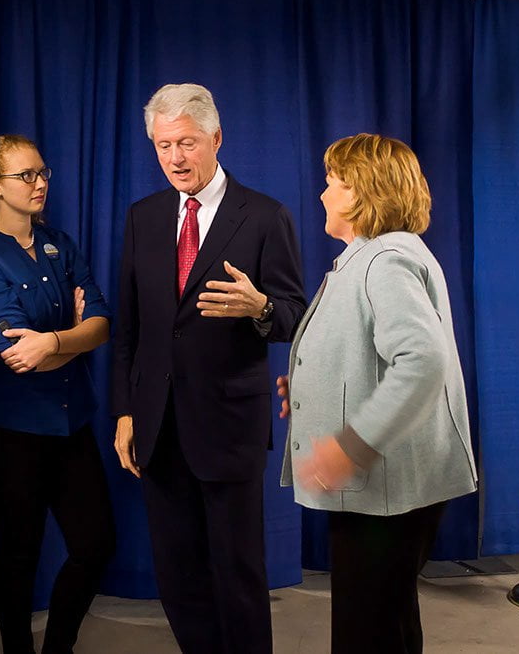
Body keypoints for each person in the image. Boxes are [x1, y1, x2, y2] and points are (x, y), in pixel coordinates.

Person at [111, 83, 306, 654]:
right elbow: (131, 329)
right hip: (156, 424)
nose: (175, 157)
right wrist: (125, 410)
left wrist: (261, 308)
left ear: (216, 139)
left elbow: (296, 316)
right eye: (164, 145)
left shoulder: (266, 216)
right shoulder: (142, 217)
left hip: (228, 426)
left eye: (188, 143)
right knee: (178, 574)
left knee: (237, 573)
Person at [278, 133, 478, 653]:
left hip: (385, 491)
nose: (322, 194)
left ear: (363, 192)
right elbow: (364, 353)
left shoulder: (385, 260)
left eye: (332, 183)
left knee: (366, 632)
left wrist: (353, 445)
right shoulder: (372, 256)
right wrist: (307, 383)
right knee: (387, 623)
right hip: (386, 490)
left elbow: (422, 360)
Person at [0, 134, 116, 654]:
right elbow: (17, 355)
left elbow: (102, 324)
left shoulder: (58, 243)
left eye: (43, 173)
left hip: (71, 421)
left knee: (95, 544)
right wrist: (69, 336)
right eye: (28, 176)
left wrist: (53, 339)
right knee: (20, 550)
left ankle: (58, 647)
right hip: (10, 430)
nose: (41, 183)